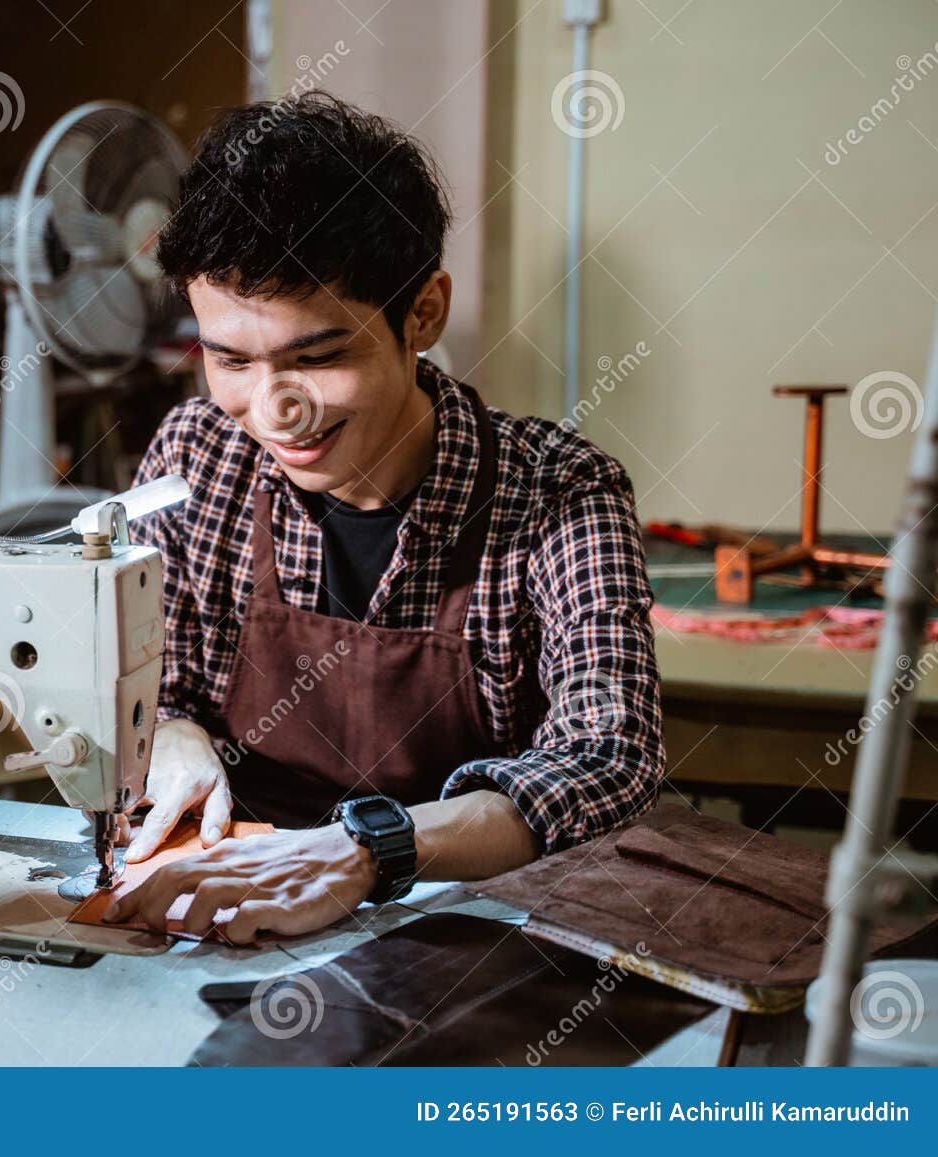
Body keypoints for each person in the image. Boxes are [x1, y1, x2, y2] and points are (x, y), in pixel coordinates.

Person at [103, 92, 664, 944]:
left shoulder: (557, 493)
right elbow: (145, 680)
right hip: (235, 912)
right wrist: (171, 735)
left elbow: (608, 758)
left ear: (424, 314)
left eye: (318, 356)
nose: (273, 409)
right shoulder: (196, 456)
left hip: (465, 934)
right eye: (230, 359)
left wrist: (367, 850)